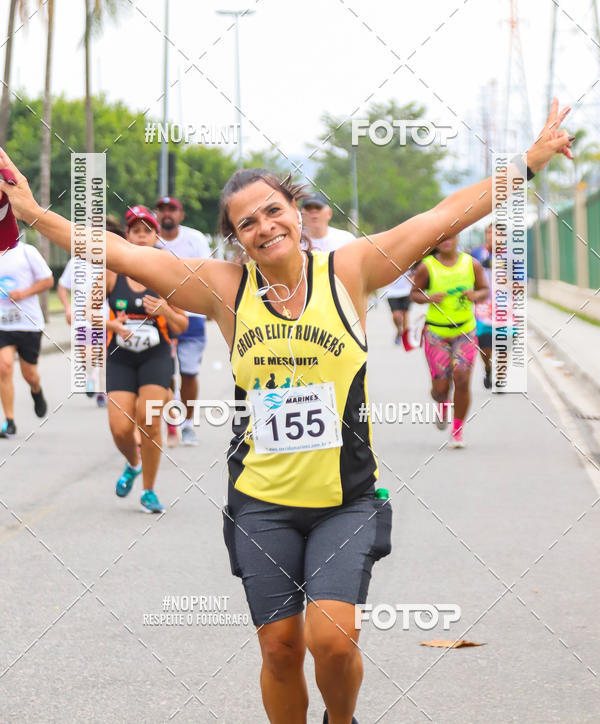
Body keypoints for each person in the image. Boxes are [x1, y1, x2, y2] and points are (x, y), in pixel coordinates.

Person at [0, 98, 572, 724]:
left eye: (274, 210)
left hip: (344, 500)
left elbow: (442, 214)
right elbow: (119, 253)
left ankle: (342, 720)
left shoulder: (350, 270)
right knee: (279, 648)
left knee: (332, 639)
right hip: (261, 500)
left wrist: (532, 161)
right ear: (237, 238)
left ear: (297, 214)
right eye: (247, 222)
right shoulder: (224, 289)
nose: (264, 225)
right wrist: (32, 215)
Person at [106, 206, 188, 513]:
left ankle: (149, 491)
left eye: (147, 231)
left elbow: (182, 325)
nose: (141, 237)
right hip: (121, 357)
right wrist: (112, 325)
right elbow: (85, 313)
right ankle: (133, 462)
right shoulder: (112, 272)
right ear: (127, 235)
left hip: (156, 355)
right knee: (119, 429)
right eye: (135, 231)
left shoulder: (168, 276)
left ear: (156, 237)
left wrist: (165, 311)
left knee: (149, 420)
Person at [410, 237, 489, 446]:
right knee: (440, 388)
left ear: (458, 239)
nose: (446, 242)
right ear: (436, 242)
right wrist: (428, 298)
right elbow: (414, 294)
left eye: (451, 237)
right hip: (436, 334)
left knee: (462, 378)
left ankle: (457, 430)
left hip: (465, 331)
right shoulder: (427, 267)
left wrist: (475, 295)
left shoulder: (471, 264)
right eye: (442, 239)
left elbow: (485, 290)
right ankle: (442, 402)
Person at [154, 196, 211, 447]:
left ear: (181, 215)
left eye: (172, 210)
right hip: (158, 316)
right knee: (165, 373)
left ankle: (187, 424)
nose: (167, 214)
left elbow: (206, 272)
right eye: (162, 210)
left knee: (189, 373)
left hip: (192, 315)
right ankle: (171, 419)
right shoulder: (149, 239)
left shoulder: (195, 238)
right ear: (156, 214)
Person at [57, 215, 125, 408]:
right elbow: (62, 287)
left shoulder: (114, 261)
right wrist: (68, 308)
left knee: (103, 355)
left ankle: (102, 391)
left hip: (107, 317)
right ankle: (90, 376)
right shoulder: (77, 261)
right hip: (83, 318)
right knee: (87, 357)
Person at [0, 239, 53, 437]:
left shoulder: (26, 252)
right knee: (4, 367)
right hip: (2, 325)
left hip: (28, 323)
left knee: (29, 374)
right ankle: (9, 421)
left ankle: (36, 390)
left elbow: (48, 280)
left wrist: (24, 293)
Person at [470, 223, 493, 388]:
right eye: (490, 233)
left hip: (505, 308)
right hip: (483, 306)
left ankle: (500, 374)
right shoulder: (477, 253)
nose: (493, 236)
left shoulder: (512, 255)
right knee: (485, 347)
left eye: (497, 233)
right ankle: (488, 368)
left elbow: (522, 278)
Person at [385, 269, 413, 345]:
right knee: (396, 315)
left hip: (406, 291)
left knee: (405, 314)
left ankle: (404, 334)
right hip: (392, 293)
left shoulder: (408, 261)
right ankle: (399, 330)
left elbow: (414, 273)